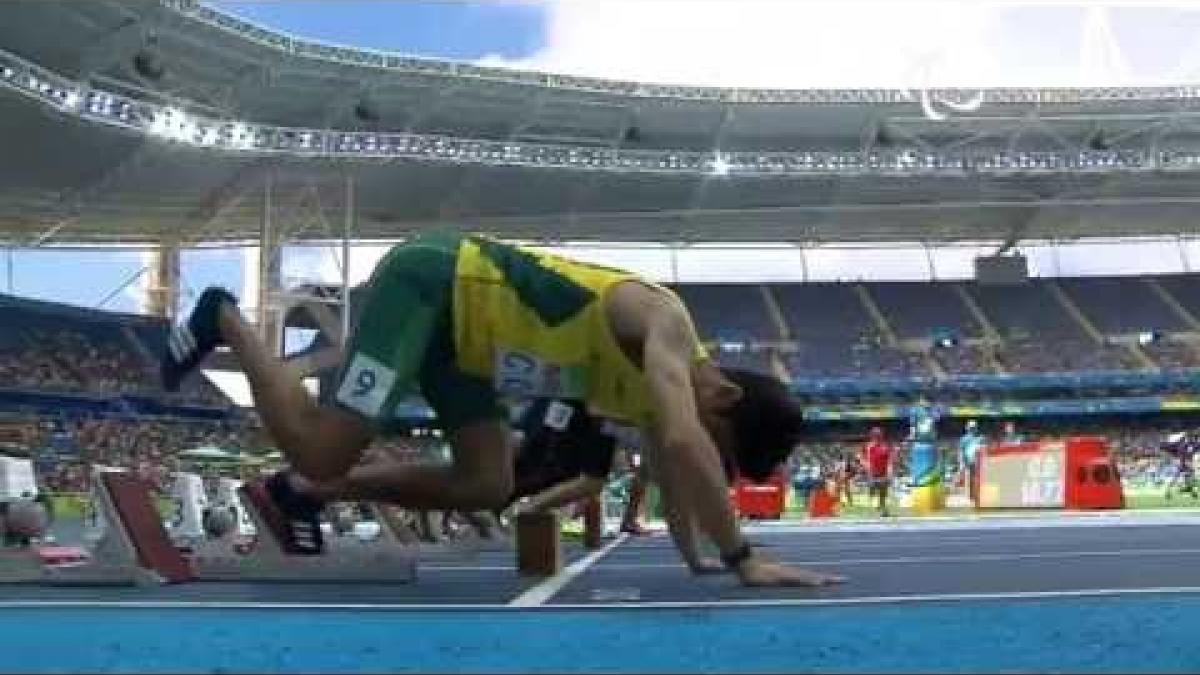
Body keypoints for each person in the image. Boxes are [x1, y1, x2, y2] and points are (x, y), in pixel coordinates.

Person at [161, 231, 839, 587]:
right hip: (434, 285)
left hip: (468, 349)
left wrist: (697, 555)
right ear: (724, 397)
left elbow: (673, 464)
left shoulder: (671, 396)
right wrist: (742, 555)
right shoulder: (665, 321)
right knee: (320, 443)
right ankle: (225, 316)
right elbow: (688, 449)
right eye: (722, 442)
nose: (707, 449)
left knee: (490, 483)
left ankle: (306, 494)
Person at [860, 427, 893, 517]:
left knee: (883, 493)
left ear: (881, 436)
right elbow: (861, 457)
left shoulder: (885, 446)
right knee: (872, 491)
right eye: (875, 435)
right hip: (872, 473)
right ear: (872, 436)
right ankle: (874, 510)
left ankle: (883, 510)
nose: (877, 437)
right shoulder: (868, 447)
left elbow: (889, 460)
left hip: (883, 473)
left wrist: (890, 472)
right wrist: (865, 464)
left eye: (878, 435)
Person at [958, 420, 986, 506]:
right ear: (968, 428)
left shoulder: (980, 438)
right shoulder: (964, 439)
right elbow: (961, 452)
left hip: (979, 462)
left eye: (974, 428)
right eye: (971, 428)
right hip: (969, 462)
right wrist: (961, 464)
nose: (972, 430)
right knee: (970, 480)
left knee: (978, 480)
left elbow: (984, 449)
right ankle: (972, 497)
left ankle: (977, 496)